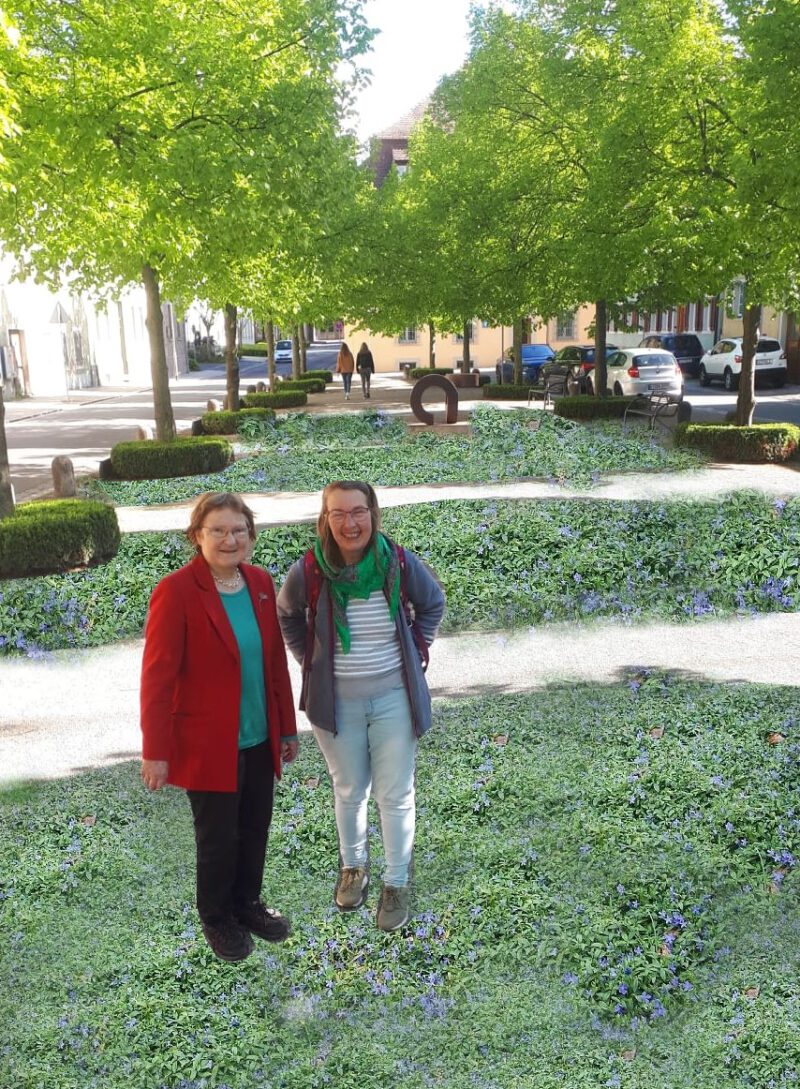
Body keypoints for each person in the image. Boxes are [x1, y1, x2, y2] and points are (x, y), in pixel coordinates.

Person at [277, 481, 445, 932]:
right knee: (349, 790)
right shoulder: (311, 570)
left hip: (394, 698)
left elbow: (432, 603)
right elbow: (287, 615)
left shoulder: (398, 562)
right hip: (337, 706)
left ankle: (395, 882)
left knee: (395, 793)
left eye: (358, 512)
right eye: (338, 514)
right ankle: (353, 868)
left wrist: (416, 646)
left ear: (372, 514)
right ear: (325, 519)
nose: (350, 524)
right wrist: (310, 659)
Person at [140, 492, 299, 963]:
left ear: (251, 535)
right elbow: (157, 677)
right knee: (218, 837)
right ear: (197, 537)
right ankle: (216, 917)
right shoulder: (177, 590)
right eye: (218, 530)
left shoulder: (261, 583)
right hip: (208, 742)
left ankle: (247, 904)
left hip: (258, 733)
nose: (230, 539)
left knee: (255, 827)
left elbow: (273, 662)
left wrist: (286, 729)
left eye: (238, 530)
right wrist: (156, 750)